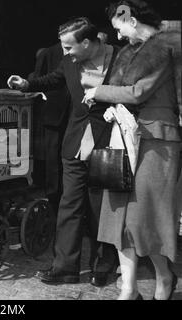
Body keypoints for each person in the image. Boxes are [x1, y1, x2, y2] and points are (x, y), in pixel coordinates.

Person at [8, 17, 120, 287]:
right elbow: (54, 79)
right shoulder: (69, 60)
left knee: (102, 208)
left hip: (108, 142)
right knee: (69, 204)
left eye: (69, 47)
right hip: (75, 141)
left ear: (86, 42)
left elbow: (135, 93)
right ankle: (65, 268)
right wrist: (27, 84)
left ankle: (103, 264)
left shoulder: (121, 58)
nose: (65, 53)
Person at [83, 0, 181, 300]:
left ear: (132, 19)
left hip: (156, 142)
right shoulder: (131, 52)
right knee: (118, 220)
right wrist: (113, 106)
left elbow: (139, 92)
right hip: (125, 138)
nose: (119, 37)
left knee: (144, 219)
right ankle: (128, 290)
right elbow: (128, 96)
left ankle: (164, 279)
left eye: (119, 28)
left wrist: (99, 91)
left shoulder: (163, 49)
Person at [27, 43, 71, 214]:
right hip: (54, 113)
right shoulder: (49, 52)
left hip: (76, 115)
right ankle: (53, 201)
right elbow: (41, 79)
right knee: (53, 161)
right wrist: (27, 84)